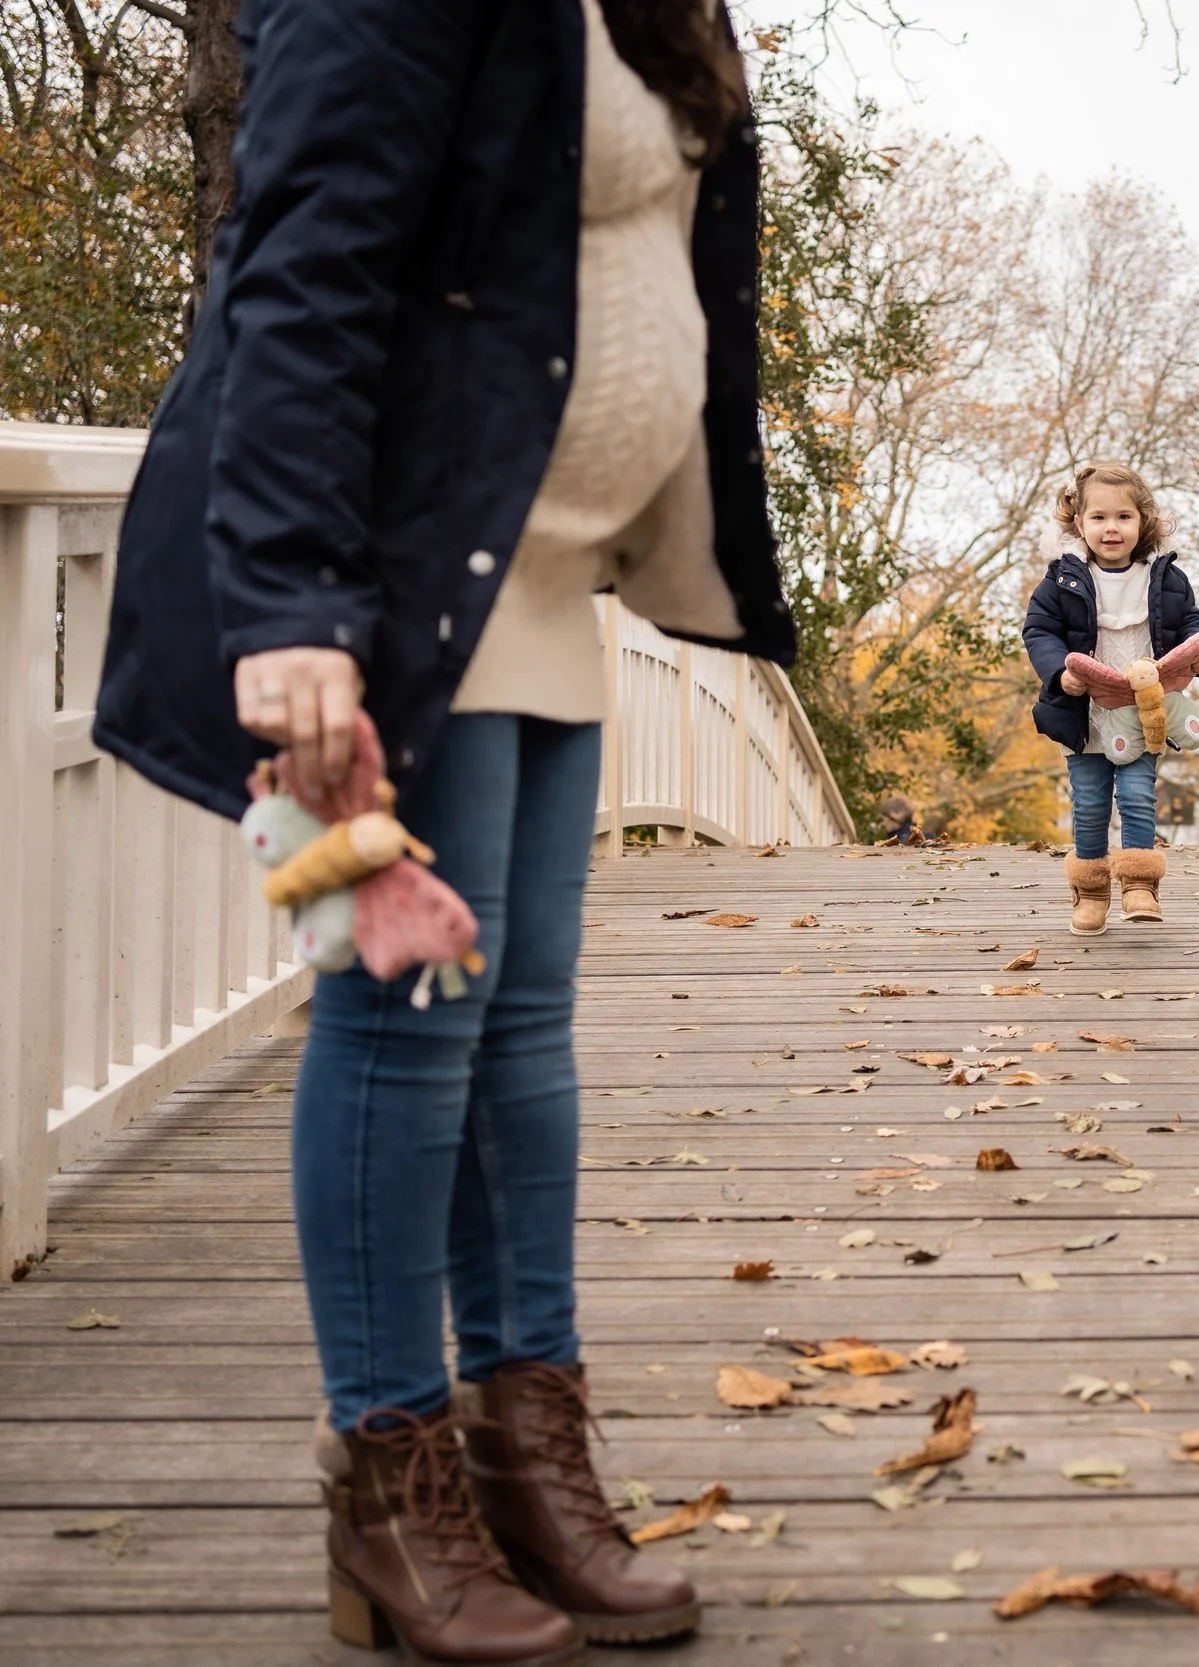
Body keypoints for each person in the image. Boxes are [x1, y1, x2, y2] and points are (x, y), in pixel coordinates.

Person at [90, 0, 797, 1660]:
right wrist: (286, 606)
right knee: (409, 1018)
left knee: (522, 1034)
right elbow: (301, 271)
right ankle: (390, 1476)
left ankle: (523, 1448)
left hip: (547, 573)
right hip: (407, 584)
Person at [1021, 463, 1199, 934]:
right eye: (1099, 518)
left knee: (1136, 796)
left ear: (1143, 521)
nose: (1112, 528)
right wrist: (1058, 674)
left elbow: (1189, 623)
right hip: (1084, 713)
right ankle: (1091, 890)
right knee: (1089, 803)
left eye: (1124, 517)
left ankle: (1139, 884)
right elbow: (1038, 631)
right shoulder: (1062, 580)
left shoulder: (1165, 577)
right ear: (1078, 523)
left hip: (1141, 709)